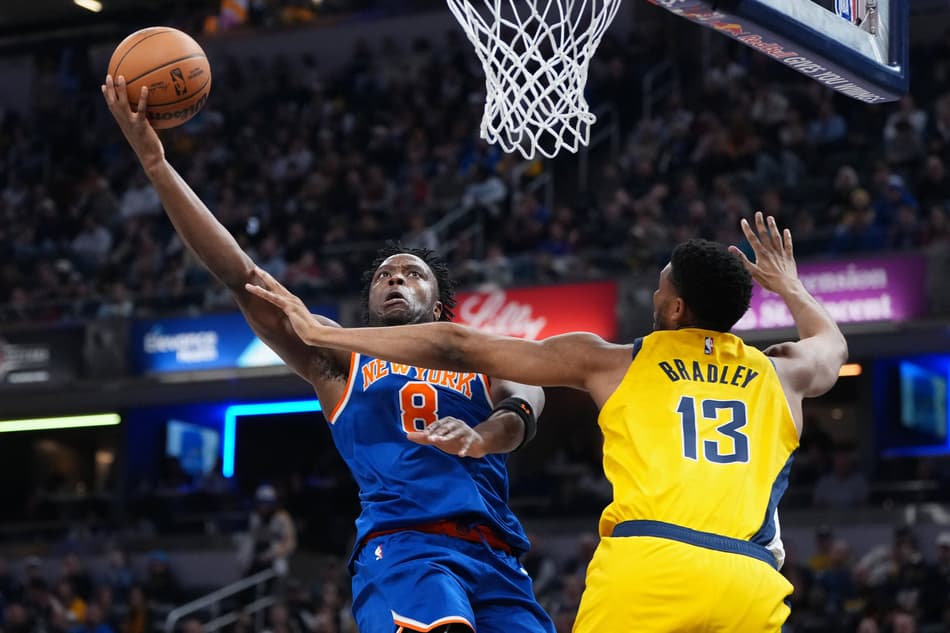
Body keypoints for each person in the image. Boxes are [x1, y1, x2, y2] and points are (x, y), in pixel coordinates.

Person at [245, 212, 849, 631]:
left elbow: (455, 344)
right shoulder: (783, 373)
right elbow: (832, 344)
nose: (653, 291)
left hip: (651, 565)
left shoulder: (616, 361)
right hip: (752, 578)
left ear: (673, 307)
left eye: (660, 285)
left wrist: (322, 332)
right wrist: (790, 285)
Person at [101, 75, 554, 633]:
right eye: (384, 275)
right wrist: (155, 165)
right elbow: (241, 276)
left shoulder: (478, 358)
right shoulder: (339, 359)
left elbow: (528, 399)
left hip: (499, 559)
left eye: (413, 274)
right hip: (406, 548)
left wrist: (485, 434)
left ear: (439, 309)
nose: (395, 279)